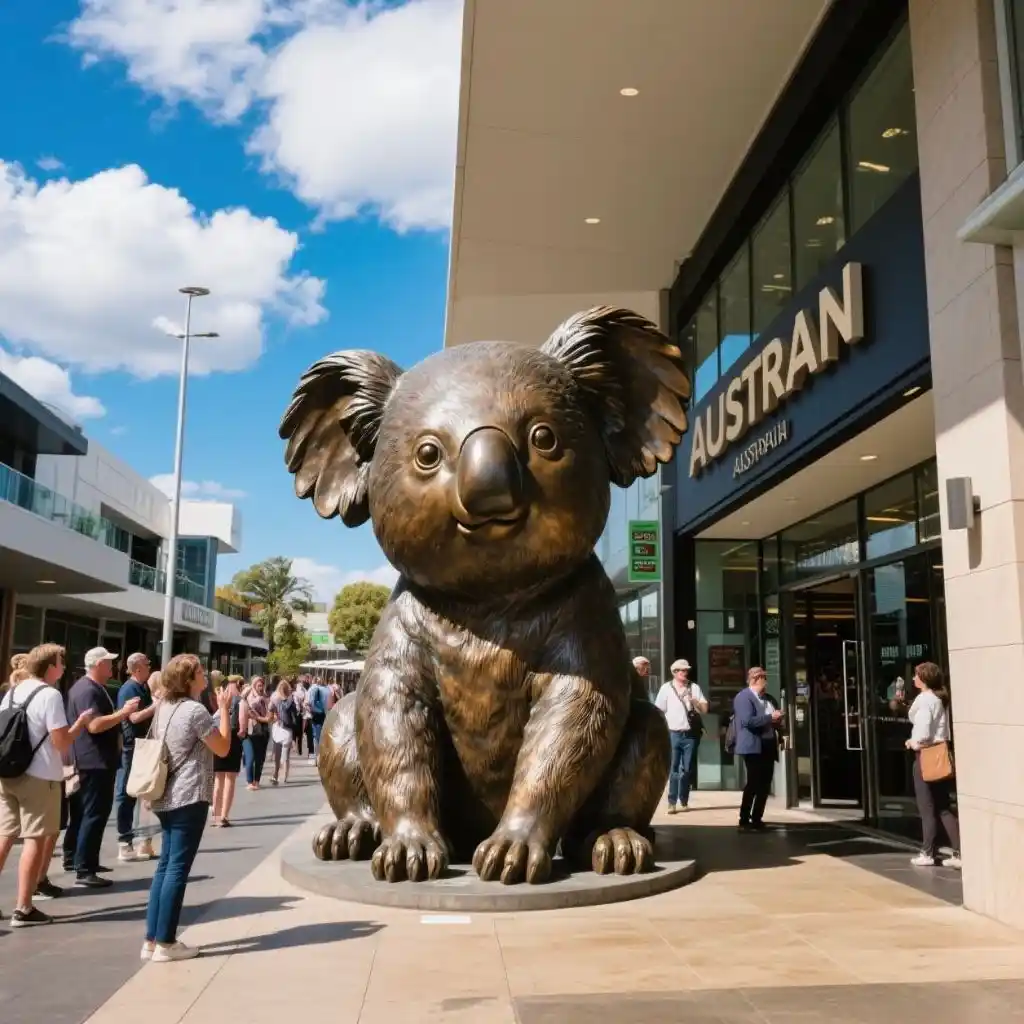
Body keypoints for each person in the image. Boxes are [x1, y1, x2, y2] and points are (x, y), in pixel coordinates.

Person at [142, 654, 231, 963]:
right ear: (189, 679)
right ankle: (166, 941)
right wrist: (224, 712)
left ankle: (152, 939)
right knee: (177, 868)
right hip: (188, 795)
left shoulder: (164, 708)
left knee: (165, 866)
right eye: (200, 673)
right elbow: (222, 747)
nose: (205, 677)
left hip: (163, 795)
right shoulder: (195, 711)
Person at [0, 644, 96, 926]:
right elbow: (61, 742)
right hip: (40, 775)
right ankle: (24, 908)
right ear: (50, 666)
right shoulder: (50, 695)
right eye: (61, 662)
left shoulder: (13, 692)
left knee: (5, 836)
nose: (64, 667)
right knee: (35, 839)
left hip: (8, 773)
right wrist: (78, 726)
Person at [64, 647, 140, 887]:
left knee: (82, 813)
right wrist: (124, 713)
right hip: (94, 761)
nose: (112, 666)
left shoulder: (90, 688)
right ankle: (84, 867)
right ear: (97, 665)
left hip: (91, 760)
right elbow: (94, 725)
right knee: (93, 814)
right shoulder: (88, 690)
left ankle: (77, 859)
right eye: (108, 662)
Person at [905, 662, 961, 869]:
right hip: (940, 755)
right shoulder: (939, 699)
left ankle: (927, 852)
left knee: (926, 807)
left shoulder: (926, 699)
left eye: (916, 676)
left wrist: (913, 742)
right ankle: (959, 851)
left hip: (925, 756)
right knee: (943, 806)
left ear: (924, 679)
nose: (913, 679)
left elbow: (924, 732)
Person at [115, 652, 157, 862]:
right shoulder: (129, 689)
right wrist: (155, 706)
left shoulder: (143, 687)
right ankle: (125, 841)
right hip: (133, 746)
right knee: (127, 792)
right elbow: (132, 717)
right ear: (138, 668)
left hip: (143, 745)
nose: (149, 667)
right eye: (147, 664)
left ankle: (142, 841)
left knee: (144, 792)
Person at [733, 666, 783, 832]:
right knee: (754, 783)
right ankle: (744, 819)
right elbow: (748, 721)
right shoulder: (743, 698)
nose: (765, 683)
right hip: (753, 747)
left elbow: (774, 720)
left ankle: (757, 819)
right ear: (755, 680)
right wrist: (770, 717)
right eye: (763, 679)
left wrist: (778, 723)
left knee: (765, 785)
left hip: (768, 745)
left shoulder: (768, 699)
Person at [654, 659, 708, 814]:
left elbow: (704, 708)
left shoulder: (694, 687)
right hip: (673, 733)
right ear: (675, 672)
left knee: (687, 768)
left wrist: (693, 700)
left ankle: (683, 799)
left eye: (686, 671)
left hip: (690, 734)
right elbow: (659, 710)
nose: (685, 673)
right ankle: (672, 802)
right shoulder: (666, 688)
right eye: (682, 670)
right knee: (674, 769)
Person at [211, 676, 243, 827]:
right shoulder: (241, 702)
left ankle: (216, 815)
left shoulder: (217, 712)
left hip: (218, 744)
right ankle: (224, 815)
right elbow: (242, 729)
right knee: (229, 779)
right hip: (233, 742)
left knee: (218, 780)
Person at [240, 677, 271, 791]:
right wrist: (259, 699)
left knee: (260, 758)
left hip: (263, 731)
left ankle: (256, 781)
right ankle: (249, 781)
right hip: (250, 731)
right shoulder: (248, 698)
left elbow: (270, 715)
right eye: (258, 685)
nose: (261, 687)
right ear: (253, 686)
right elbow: (249, 710)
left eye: (262, 685)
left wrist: (261, 717)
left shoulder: (266, 698)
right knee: (250, 757)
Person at [269, 679, 295, 785]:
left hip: (278, 727)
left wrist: (275, 715)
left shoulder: (275, 698)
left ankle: (276, 775)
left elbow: (270, 711)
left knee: (278, 754)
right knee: (286, 755)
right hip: (288, 730)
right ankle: (284, 776)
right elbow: (296, 713)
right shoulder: (291, 700)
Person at [307, 677, 330, 761]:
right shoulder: (327, 689)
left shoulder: (315, 689)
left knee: (316, 736)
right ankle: (321, 755)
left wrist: (310, 709)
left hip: (317, 714)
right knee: (322, 735)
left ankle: (317, 756)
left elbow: (311, 702)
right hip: (325, 714)